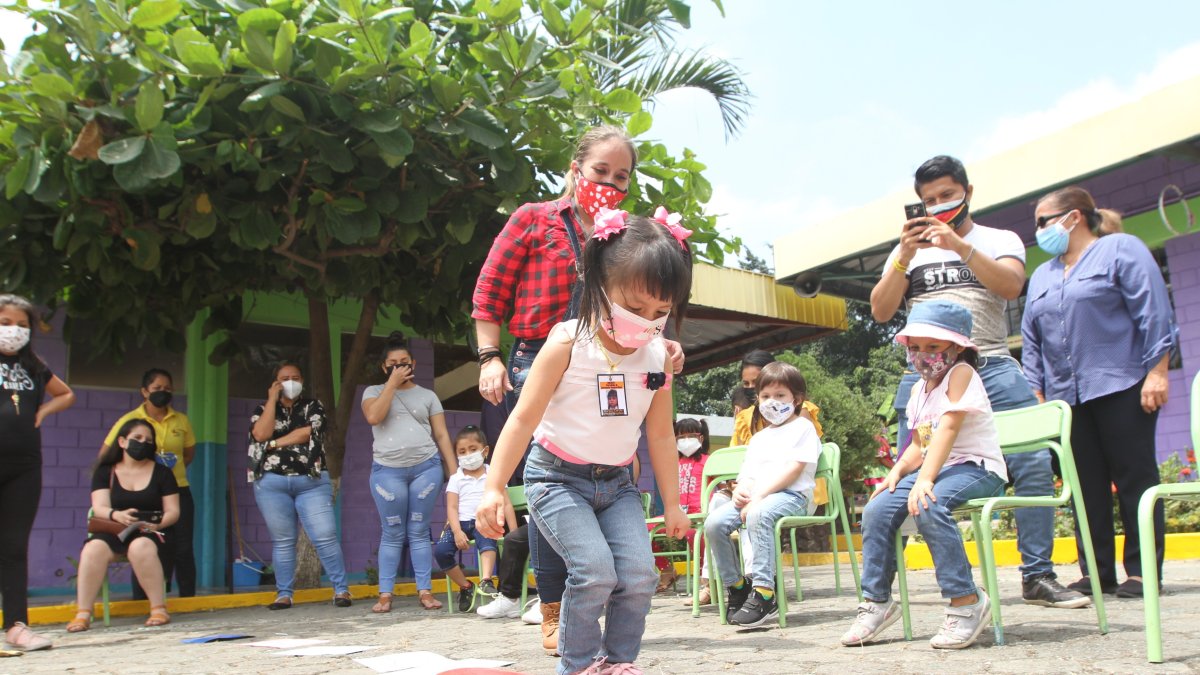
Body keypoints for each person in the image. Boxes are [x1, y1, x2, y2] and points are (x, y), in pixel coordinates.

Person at [472, 125, 686, 655]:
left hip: (617, 391)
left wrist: (659, 341)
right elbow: (490, 288)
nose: (609, 185)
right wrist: (489, 356)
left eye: (622, 177)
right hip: (545, 358)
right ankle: (558, 620)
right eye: (600, 172)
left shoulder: (631, 243)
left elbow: (646, 305)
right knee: (571, 535)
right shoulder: (536, 219)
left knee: (628, 559)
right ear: (575, 168)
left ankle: (606, 652)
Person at [869, 155, 1087, 609]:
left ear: (968, 192)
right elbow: (881, 311)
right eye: (929, 200)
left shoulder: (999, 239)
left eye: (947, 195)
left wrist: (959, 246)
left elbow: (1010, 287)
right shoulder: (907, 252)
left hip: (992, 363)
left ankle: (1038, 576)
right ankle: (882, 596)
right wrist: (904, 257)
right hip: (925, 376)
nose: (939, 204)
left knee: (1030, 463)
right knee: (906, 478)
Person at [1023, 187, 1174, 599]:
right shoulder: (1042, 274)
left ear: (1073, 217)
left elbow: (1152, 308)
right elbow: (1031, 339)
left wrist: (1157, 372)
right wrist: (1037, 393)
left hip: (1123, 383)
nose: (1038, 231)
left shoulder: (1121, 250)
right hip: (1067, 400)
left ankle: (1143, 573)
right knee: (1085, 487)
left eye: (1043, 221)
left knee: (1135, 481)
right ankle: (1096, 572)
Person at [842, 300, 1007, 649]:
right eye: (915, 347)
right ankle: (877, 603)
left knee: (928, 503)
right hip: (939, 469)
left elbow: (948, 427)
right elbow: (920, 442)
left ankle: (967, 602)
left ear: (957, 347)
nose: (922, 355)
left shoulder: (962, 374)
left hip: (976, 467)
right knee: (877, 509)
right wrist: (898, 472)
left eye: (933, 347)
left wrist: (924, 480)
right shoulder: (918, 389)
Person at [704, 362, 821, 628]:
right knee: (714, 523)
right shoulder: (758, 438)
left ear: (797, 399)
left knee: (758, 513)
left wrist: (759, 497)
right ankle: (737, 586)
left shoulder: (803, 428)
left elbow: (794, 470)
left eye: (780, 396)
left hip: (792, 497)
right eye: (766, 396)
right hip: (758, 497)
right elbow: (747, 472)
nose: (772, 402)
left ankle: (765, 593)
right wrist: (741, 489)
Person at [362, 333, 458, 612]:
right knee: (391, 532)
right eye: (393, 364)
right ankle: (385, 595)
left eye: (404, 363)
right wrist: (391, 386)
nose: (399, 368)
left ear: (413, 364)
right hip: (387, 473)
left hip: (426, 470)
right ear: (384, 367)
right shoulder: (372, 392)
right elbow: (373, 417)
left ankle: (425, 592)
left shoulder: (428, 396)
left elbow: (441, 435)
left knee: (418, 531)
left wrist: (455, 474)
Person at [1, 294, 74, 651]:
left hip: (25, 466)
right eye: (5, 322)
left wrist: (41, 415)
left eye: (21, 325)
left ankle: (16, 626)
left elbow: (65, 394)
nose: (13, 331)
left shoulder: (34, 366)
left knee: (14, 546)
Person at [248, 362, 351, 610]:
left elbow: (307, 433)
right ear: (275, 383)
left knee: (325, 535)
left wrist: (272, 445)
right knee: (283, 540)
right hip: (272, 484)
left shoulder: (312, 406)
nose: (290, 381)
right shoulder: (261, 409)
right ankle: (284, 594)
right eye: (284, 378)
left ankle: (342, 590)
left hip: (311, 482)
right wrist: (272, 400)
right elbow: (261, 434)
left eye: (295, 377)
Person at [69, 419, 180, 632]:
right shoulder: (105, 471)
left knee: (141, 547)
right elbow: (99, 506)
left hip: (152, 530)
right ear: (121, 441)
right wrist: (116, 515)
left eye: (148, 440)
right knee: (93, 549)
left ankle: (158, 609)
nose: (143, 443)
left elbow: (173, 511)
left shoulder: (163, 473)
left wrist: (157, 525)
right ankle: (83, 613)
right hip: (116, 528)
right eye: (137, 438)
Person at [100, 368, 197, 600]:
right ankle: (143, 599)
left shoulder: (181, 420)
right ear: (144, 392)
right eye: (157, 389)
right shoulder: (130, 421)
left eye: (167, 389)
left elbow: (188, 454)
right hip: (145, 495)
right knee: (143, 544)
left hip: (178, 491)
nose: (163, 393)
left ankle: (188, 599)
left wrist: (167, 473)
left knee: (182, 548)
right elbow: (106, 454)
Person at [435, 426, 517, 612]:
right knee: (441, 551)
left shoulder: (494, 474)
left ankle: (486, 580)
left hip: (485, 519)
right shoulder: (456, 478)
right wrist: (456, 532)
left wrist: (514, 532)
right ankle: (465, 586)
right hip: (460, 524)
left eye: (473, 449)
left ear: (485, 451)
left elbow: (506, 504)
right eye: (462, 452)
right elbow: (452, 507)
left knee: (487, 540)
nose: (468, 455)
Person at [653, 418, 710, 593]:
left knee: (697, 536)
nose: (686, 440)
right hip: (676, 514)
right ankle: (667, 569)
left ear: (701, 438)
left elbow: (719, 488)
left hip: (698, 514)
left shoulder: (709, 461)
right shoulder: (671, 464)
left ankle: (706, 582)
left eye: (691, 435)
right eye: (681, 437)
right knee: (642, 528)